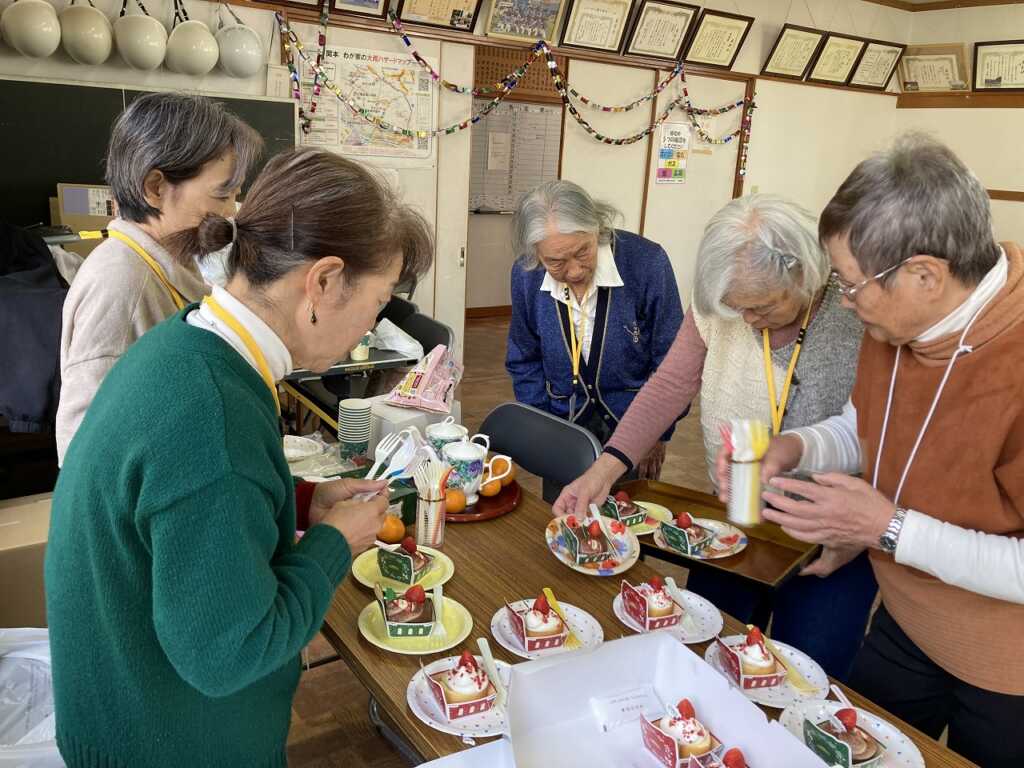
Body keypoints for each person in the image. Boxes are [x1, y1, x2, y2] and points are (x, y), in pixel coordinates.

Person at [45, 147, 434, 766]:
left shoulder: (191, 339)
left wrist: (300, 501)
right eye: (379, 299)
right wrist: (334, 542)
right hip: (167, 742)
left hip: (128, 700)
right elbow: (231, 653)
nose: (371, 325)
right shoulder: (211, 411)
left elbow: (178, 512)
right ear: (324, 281)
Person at [719, 136, 1024, 768]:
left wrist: (885, 527)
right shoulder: (898, 321)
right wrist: (795, 446)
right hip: (907, 620)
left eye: (851, 285)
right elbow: (866, 423)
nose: (844, 302)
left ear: (925, 275)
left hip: (1009, 665)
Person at [556, 194, 874, 679]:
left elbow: (897, 433)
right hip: (734, 515)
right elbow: (669, 384)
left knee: (807, 673)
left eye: (760, 307)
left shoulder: (860, 312)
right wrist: (605, 468)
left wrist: (861, 531)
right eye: (734, 307)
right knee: (710, 653)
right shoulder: (723, 300)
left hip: (832, 532)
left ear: (805, 275)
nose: (746, 320)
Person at [55, 92, 262, 464]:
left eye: (235, 194)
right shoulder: (121, 282)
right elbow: (83, 449)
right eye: (222, 195)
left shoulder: (176, 263)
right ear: (155, 188)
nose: (231, 212)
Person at [506, 180, 683, 483]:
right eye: (556, 262)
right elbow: (524, 357)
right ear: (536, 253)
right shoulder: (527, 275)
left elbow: (672, 361)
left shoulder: (646, 263)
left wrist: (657, 432)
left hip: (635, 425)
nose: (574, 271)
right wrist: (543, 426)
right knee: (562, 507)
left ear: (597, 228)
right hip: (562, 426)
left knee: (627, 507)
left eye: (583, 252)